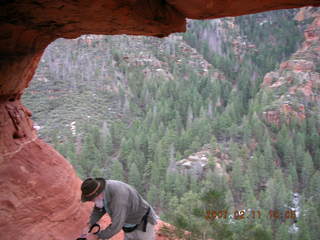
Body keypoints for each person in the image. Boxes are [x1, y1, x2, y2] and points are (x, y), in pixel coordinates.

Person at [78, 177, 158, 240]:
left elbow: (116, 226)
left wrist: (97, 236)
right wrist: (90, 225)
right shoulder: (103, 192)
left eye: (92, 199)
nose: (92, 202)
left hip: (142, 223)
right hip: (129, 224)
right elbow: (99, 209)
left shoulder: (119, 199)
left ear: (98, 195)